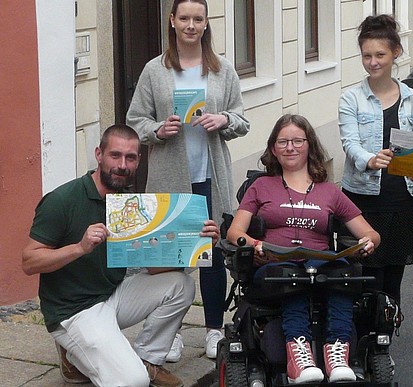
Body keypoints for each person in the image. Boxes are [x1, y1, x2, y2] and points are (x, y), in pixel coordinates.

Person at [21, 124, 221, 387]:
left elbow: (153, 270)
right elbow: (29, 262)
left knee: (181, 284)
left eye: (130, 158)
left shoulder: (128, 202)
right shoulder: (63, 199)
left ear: (138, 161)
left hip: (111, 296)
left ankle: (148, 360)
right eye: (115, 155)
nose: (122, 165)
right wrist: (79, 248)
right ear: (99, 155)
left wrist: (198, 243)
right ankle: (75, 351)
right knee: (132, 381)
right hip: (73, 310)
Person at [126, 0, 250, 361]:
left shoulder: (222, 69)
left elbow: (242, 120)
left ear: (206, 22)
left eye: (198, 19)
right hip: (170, 175)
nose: (191, 25)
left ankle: (213, 329)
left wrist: (223, 119)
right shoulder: (155, 70)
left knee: (211, 254)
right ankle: (171, 331)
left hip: (211, 176)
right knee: (170, 255)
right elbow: (136, 121)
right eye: (184, 18)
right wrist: (158, 129)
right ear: (172, 21)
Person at [226, 114, 380, 384]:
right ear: (273, 148)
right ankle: (299, 357)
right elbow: (234, 231)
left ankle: (337, 352)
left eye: (298, 140)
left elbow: (370, 233)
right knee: (292, 277)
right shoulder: (261, 186)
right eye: (283, 141)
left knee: (342, 275)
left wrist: (367, 242)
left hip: (321, 263)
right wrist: (254, 244)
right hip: (276, 264)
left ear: (309, 145)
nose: (290, 147)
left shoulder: (329, 192)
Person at [338, 14, 413, 305]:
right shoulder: (351, 98)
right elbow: (349, 142)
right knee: (363, 279)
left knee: (392, 280)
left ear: (395, 53)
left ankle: (383, 342)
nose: (373, 62)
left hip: (401, 199)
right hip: (362, 200)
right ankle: (362, 340)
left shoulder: (412, 98)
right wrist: (370, 159)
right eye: (366, 56)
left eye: (380, 55)